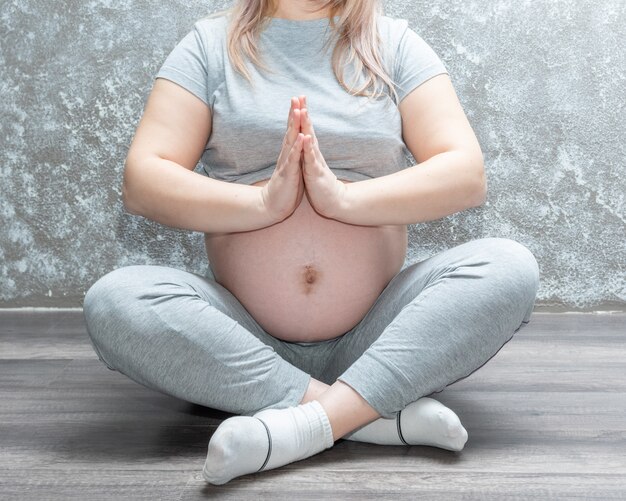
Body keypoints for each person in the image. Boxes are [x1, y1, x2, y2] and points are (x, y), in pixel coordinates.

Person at [82, 0, 540, 486]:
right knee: (114, 300)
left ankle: (302, 423)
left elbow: (466, 174)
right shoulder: (208, 46)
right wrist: (263, 205)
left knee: (508, 266)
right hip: (242, 339)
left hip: (377, 336)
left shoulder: (394, 44)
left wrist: (342, 199)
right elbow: (143, 180)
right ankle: (369, 419)